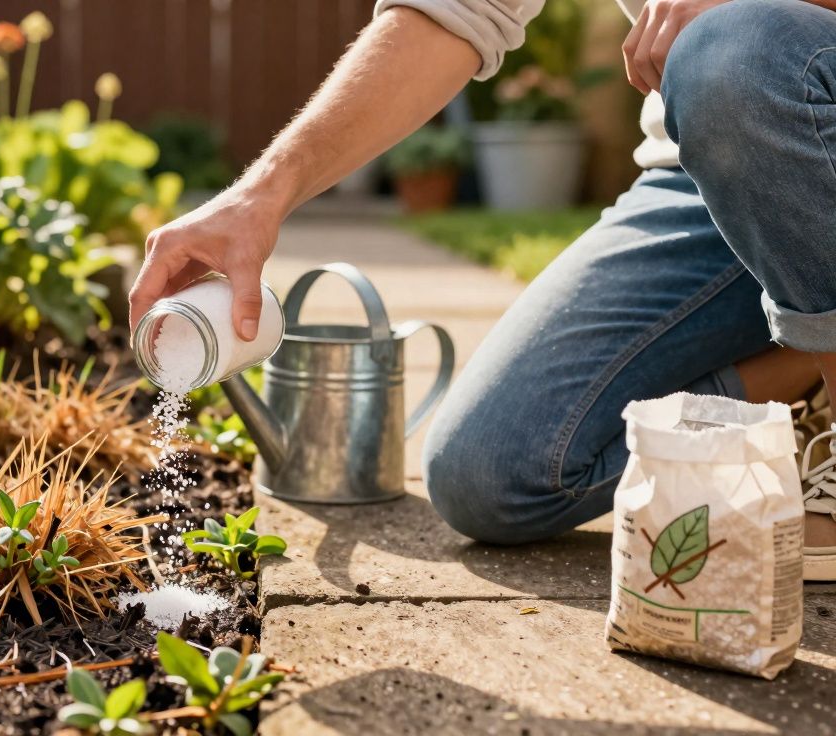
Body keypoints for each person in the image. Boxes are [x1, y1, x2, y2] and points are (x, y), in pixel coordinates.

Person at [128, 0, 836, 580]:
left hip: (788, 97)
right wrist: (259, 198)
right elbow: (454, 12)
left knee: (735, 52)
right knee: (494, 472)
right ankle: (804, 366)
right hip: (707, 167)